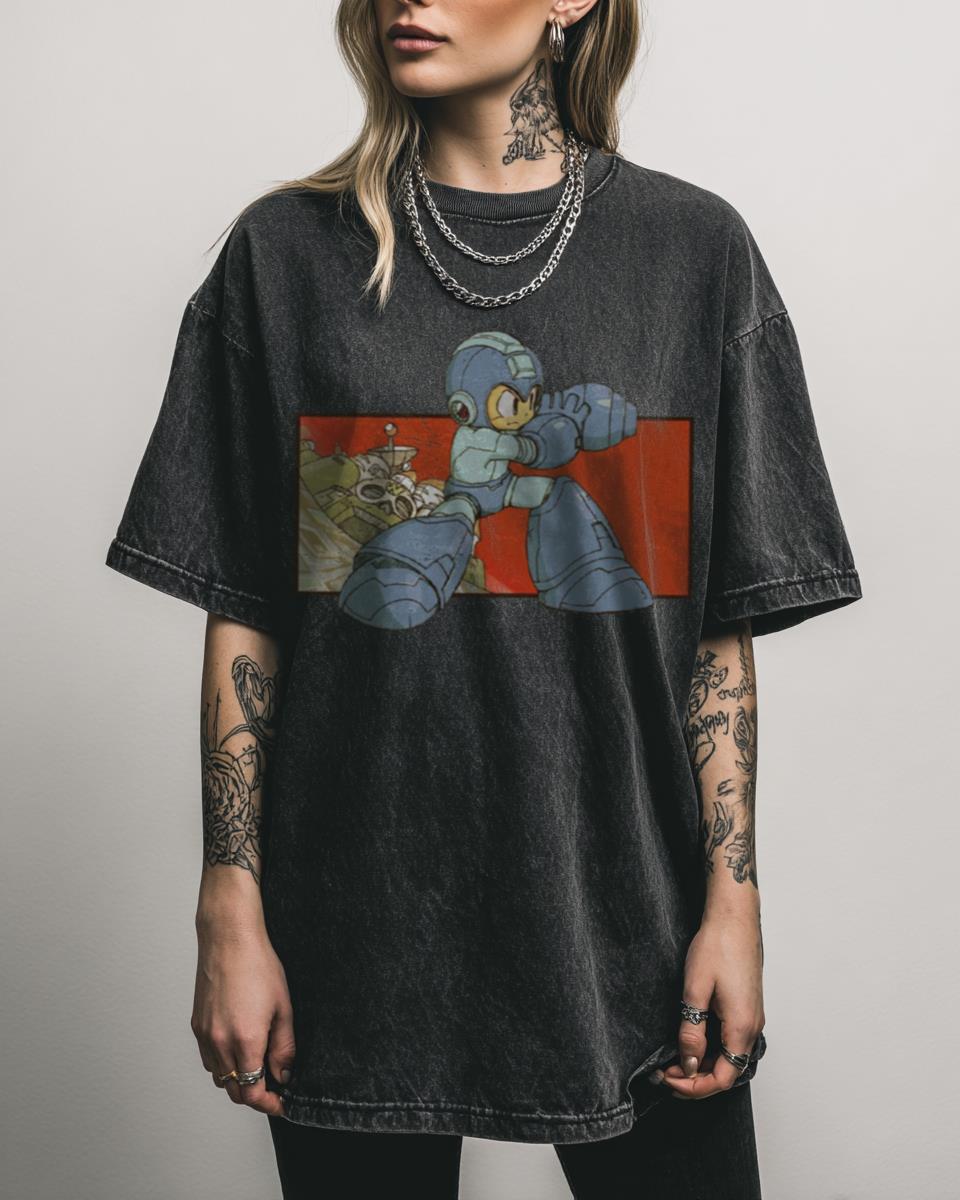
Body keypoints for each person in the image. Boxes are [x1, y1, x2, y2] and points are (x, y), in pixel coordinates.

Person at [104, 1, 863, 1196]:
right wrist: (229, 905)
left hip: (631, 922)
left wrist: (734, 902)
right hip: (352, 930)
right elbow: (246, 613)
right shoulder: (285, 257)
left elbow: (715, 636)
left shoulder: (693, 255)